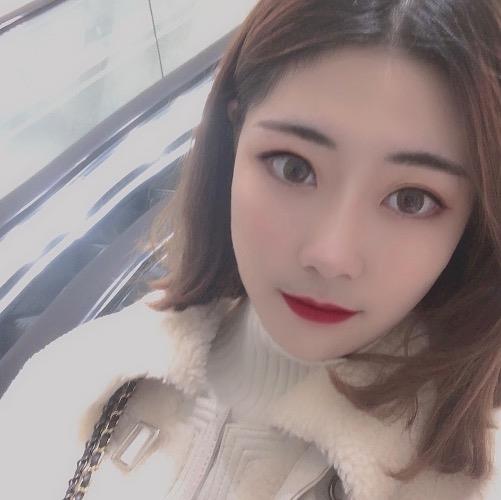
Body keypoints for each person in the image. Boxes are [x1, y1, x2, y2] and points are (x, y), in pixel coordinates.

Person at [1, 0, 500, 498]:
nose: (331, 255)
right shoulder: (75, 377)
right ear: (235, 136)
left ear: (474, 217)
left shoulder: (468, 479)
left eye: (411, 200)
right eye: (293, 168)